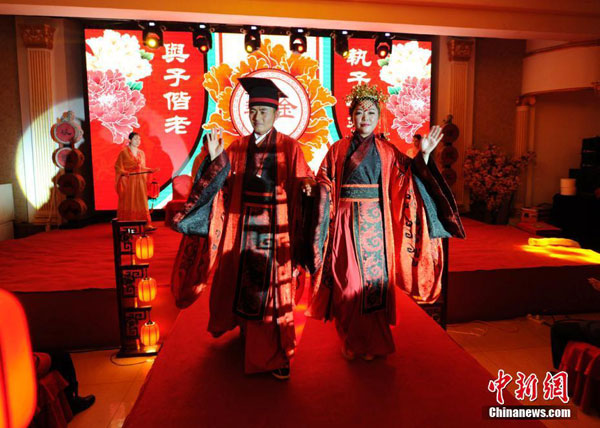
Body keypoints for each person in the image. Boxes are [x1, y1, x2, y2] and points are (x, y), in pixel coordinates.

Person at [170, 77, 315, 379]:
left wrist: (310, 189)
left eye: (264, 111)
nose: (258, 117)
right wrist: (213, 161)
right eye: (253, 111)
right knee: (244, 285)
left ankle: (276, 353)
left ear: (276, 114)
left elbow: (305, 180)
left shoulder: (291, 148)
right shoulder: (236, 148)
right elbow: (218, 186)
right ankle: (249, 337)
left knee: (274, 295)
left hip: (278, 230)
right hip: (243, 227)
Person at [307, 83, 465, 360]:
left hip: (376, 226)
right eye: (359, 112)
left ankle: (375, 342)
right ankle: (352, 339)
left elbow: (409, 175)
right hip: (344, 222)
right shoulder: (337, 149)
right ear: (351, 117)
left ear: (378, 117)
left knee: (375, 284)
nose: (365, 118)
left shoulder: (386, 150)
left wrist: (424, 154)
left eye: (371, 112)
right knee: (349, 283)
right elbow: (325, 181)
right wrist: (317, 190)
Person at [114, 132, 157, 230]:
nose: (138, 141)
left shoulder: (141, 153)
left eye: (139, 139)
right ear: (130, 140)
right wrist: (124, 172)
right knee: (130, 201)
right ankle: (128, 225)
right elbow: (117, 167)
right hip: (129, 181)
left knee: (141, 201)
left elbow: (142, 167)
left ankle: (146, 224)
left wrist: (150, 170)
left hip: (139, 180)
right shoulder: (123, 152)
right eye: (135, 139)